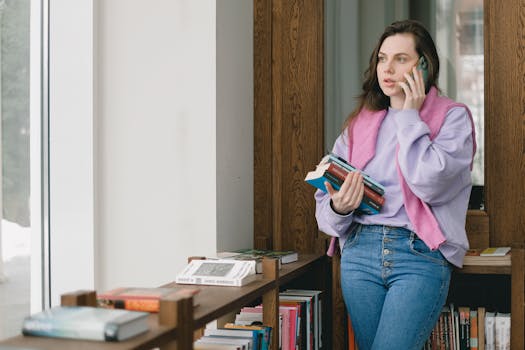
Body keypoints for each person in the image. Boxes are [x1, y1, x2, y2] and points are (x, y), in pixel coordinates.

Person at [315, 19, 476, 350]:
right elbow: (325, 205)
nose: (387, 68)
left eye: (400, 59)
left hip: (418, 256)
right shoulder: (360, 124)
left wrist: (408, 116)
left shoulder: (453, 118)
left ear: (424, 65)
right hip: (359, 255)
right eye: (382, 58)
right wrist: (338, 206)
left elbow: (429, 183)